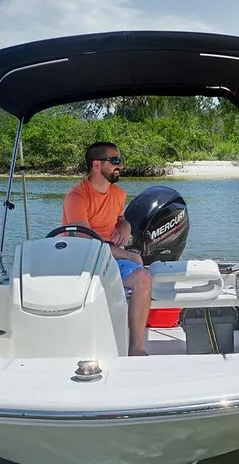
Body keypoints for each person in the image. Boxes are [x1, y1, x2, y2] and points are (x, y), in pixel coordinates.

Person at [62, 142, 152, 356]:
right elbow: (86, 242)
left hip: (110, 258)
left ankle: (136, 348)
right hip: (80, 259)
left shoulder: (119, 194)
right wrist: (129, 254)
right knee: (135, 263)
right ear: (96, 165)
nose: (120, 166)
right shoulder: (77, 197)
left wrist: (125, 224)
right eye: (115, 161)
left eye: (119, 161)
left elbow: (119, 218)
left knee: (144, 278)